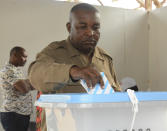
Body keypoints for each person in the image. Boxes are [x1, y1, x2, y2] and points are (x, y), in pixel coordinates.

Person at [28, 3, 121, 131]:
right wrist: (72, 72)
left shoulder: (104, 58)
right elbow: (35, 75)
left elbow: (118, 96)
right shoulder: (54, 52)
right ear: (69, 27)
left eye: (96, 27)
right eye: (82, 27)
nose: (91, 33)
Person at [0, 46, 34, 131]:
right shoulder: (8, 70)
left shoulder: (17, 70)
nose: (26, 60)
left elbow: (31, 84)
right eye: (24, 57)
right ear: (14, 55)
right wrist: (27, 83)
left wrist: (27, 83)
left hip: (22, 114)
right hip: (13, 115)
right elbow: (24, 89)